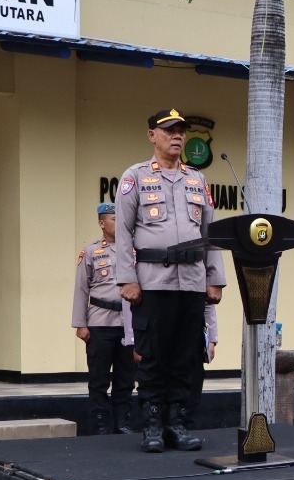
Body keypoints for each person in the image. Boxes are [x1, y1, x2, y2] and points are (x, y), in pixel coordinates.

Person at [115, 108, 226, 454]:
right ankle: (151, 426)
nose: (177, 136)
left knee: (185, 357)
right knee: (153, 357)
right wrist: (127, 279)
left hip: (191, 283)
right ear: (152, 136)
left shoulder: (197, 180)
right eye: (169, 131)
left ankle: (177, 424)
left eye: (180, 131)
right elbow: (123, 233)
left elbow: (211, 234)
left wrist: (215, 278)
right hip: (153, 281)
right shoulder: (135, 177)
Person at [73, 203, 135, 435]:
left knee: (126, 377)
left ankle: (122, 421)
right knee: (99, 377)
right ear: (102, 223)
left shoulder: (134, 250)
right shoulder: (91, 252)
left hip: (128, 324)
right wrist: (80, 324)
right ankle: (100, 422)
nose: (118, 224)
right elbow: (81, 289)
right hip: (99, 322)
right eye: (113, 219)